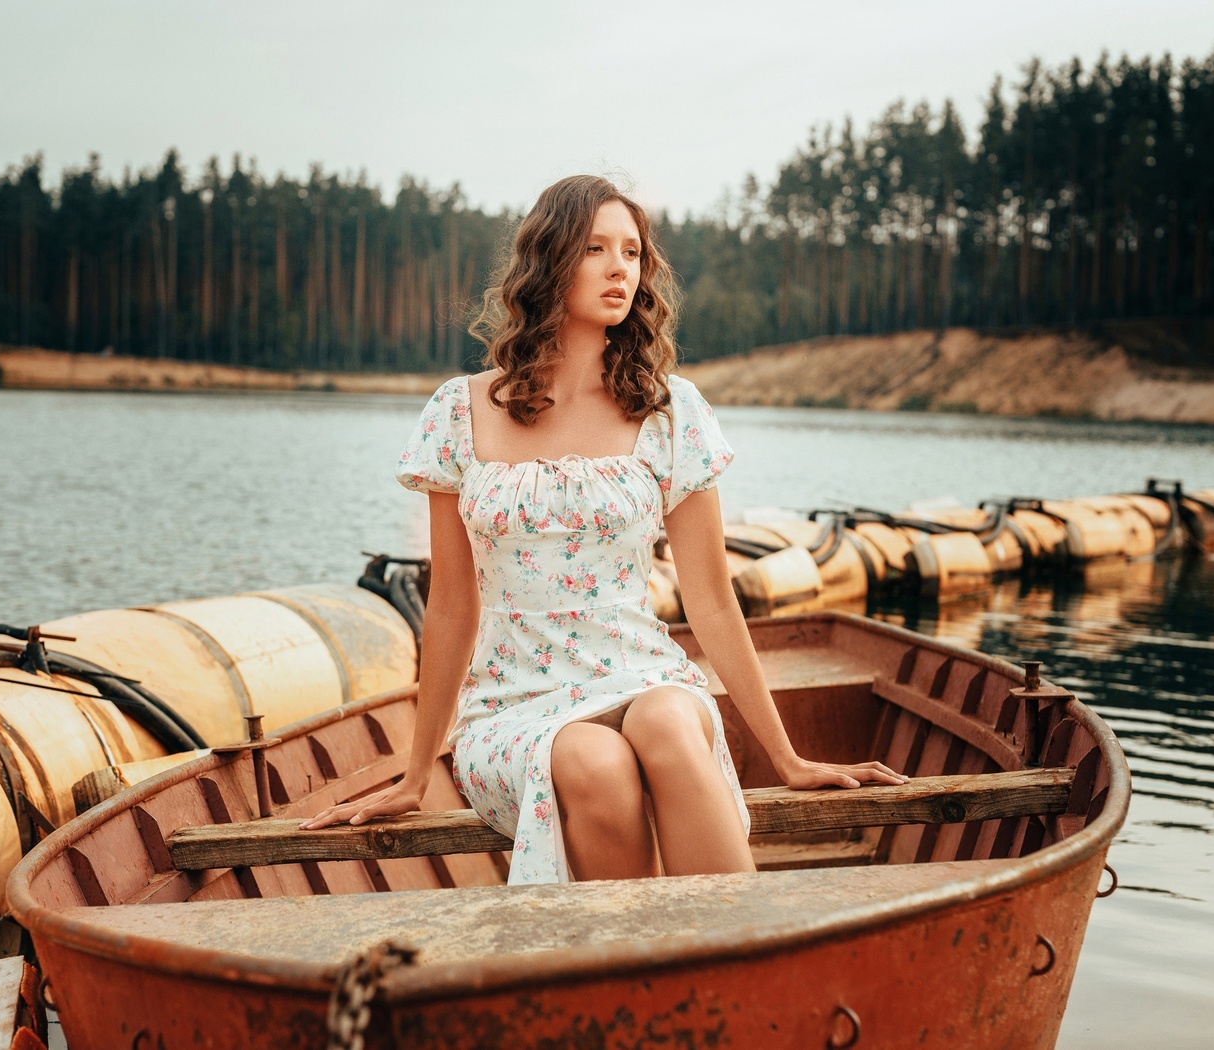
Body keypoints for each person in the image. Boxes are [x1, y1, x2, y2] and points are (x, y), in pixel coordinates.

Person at [301, 175, 905, 883]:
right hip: (513, 706)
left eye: (633, 252)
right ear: (550, 260)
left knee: (667, 726)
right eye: (596, 249)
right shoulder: (458, 413)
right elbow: (452, 608)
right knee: (592, 760)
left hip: (641, 674)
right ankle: (639, 968)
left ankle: (734, 965)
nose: (622, 268)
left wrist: (788, 759)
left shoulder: (669, 411)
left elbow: (711, 602)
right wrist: (413, 775)